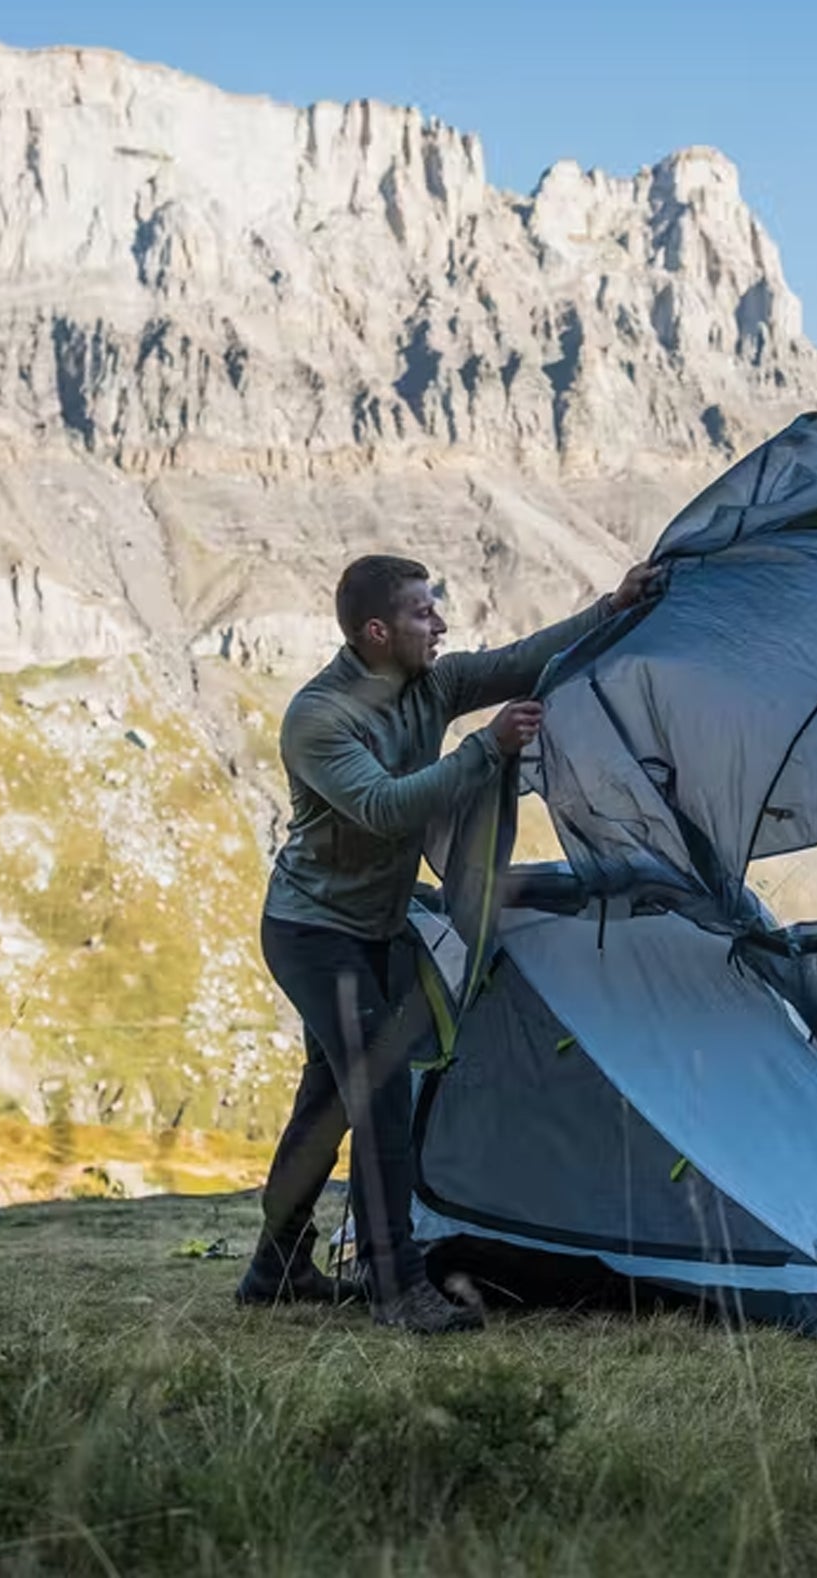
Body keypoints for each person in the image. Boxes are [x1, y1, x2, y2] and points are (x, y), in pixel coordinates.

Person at [236, 552, 658, 1331]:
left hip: (376, 930)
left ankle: (276, 1270)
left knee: (326, 1107)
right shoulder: (318, 717)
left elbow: (519, 661)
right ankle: (396, 1287)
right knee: (381, 1087)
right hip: (311, 933)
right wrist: (484, 750)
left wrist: (614, 606)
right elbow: (385, 808)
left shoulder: (431, 684)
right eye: (423, 613)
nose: (440, 624)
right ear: (376, 631)